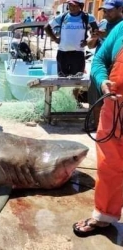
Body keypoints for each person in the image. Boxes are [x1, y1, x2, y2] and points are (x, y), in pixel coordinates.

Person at [72, 18, 123, 238]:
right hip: (114, 106)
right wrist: (102, 82)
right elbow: (100, 60)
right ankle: (104, 216)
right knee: (109, 165)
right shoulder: (121, 28)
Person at [86, 0, 123, 132]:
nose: (106, 13)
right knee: (96, 101)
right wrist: (95, 37)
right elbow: (90, 45)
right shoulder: (102, 24)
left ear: (120, 9)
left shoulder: (119, 27)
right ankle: (97, 128)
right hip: (100, 69)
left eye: (110, 10)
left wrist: (107, 36)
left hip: (116, 71)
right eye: (104, 10)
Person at [44, 0, 97, 77]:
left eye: (74, 5)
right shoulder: (62, 17)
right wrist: (55, 39)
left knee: (77, 80)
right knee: (62, 79)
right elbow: (46, 27)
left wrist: (87, 41)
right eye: (70, 5)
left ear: (80, 6)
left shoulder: (87, 17)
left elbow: (96, 31)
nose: (71, 8)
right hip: (62, 53)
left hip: (78, 54)